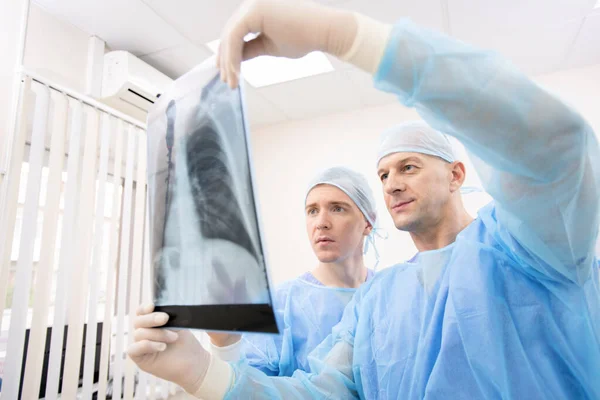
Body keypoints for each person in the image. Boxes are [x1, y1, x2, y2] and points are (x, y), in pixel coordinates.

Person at [128, 1, 600, 398]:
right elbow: (318, 392)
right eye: (382, 174)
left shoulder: (532, 246)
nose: (391, 183)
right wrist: (200, 372)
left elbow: (552, 148)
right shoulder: (377, 300)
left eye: (409, 167)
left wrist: (343, 37)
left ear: (456, 174)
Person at [208, 166, 379, 377]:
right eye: (312, 211)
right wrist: (224, 347)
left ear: (369, 222)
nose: (321, 223)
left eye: (337, 208)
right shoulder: (281, 305)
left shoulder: (387, 294)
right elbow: (246, 388)